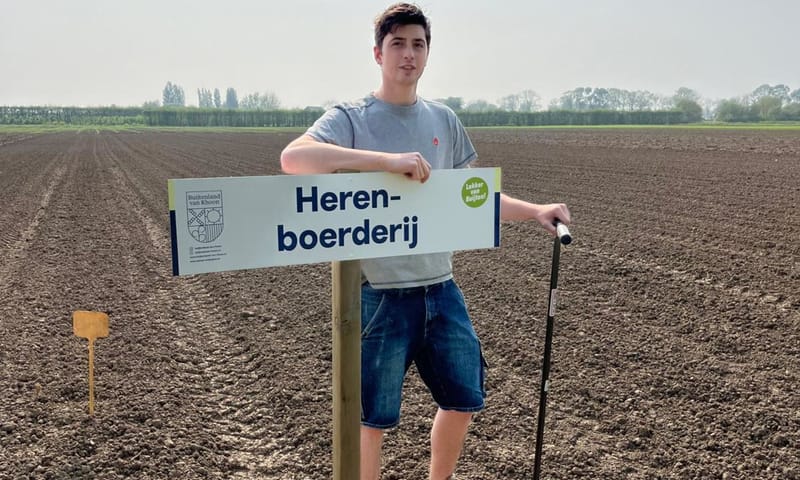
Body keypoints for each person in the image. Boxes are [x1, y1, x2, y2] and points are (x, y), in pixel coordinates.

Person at [280, 3, 571, 479]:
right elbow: (295, 159)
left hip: (440, 288)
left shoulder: (443, 120)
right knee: (369, 419)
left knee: (463, 399)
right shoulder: (352, 117)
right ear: (378, 53)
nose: (408, 54)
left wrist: (535, 211)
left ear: (428, 53)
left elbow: (473, 198)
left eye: (418, 44)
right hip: (378, 294)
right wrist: (385, 161)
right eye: (397, 44)